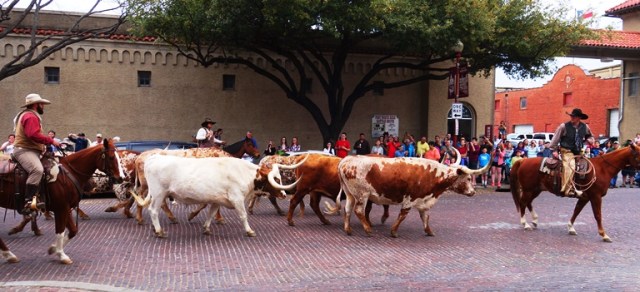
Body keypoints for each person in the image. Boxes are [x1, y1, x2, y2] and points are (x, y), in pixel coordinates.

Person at [12, 93, 62, 214]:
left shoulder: (29, 115)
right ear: (36, 105)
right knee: (37, 170)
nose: (43, 106)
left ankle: (41, 197)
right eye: (42, 104)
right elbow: (33, 135)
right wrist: (51, 141)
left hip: (31, 150)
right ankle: (28, 201)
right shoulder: (30, 116)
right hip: (24, 150)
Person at [549, 108, 594, 197]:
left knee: (588, 166)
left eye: (574, 116)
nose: (572, 118)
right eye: (571, 116)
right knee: (571, 165)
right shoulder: (564, 126)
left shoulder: (585, 127)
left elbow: (590, 136)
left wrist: (590, 140)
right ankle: (567, 190)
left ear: (579, 118)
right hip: (567, 151)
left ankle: (582, 187)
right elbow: (555, 139)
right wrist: (554, 150)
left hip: (579, 151)